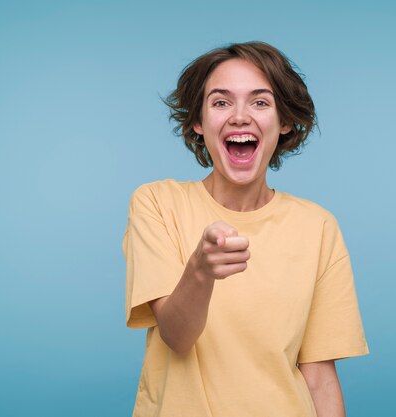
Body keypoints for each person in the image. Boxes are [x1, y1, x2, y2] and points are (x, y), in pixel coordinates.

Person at [123, 41, 369, 417]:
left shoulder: (318, 227)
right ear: (198, 122)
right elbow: (176, 336)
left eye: (260, 102)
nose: (240, 116)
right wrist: (201, 271)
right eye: (221, 102)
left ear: (284, 121)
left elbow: (319, 376)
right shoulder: (157, 203)